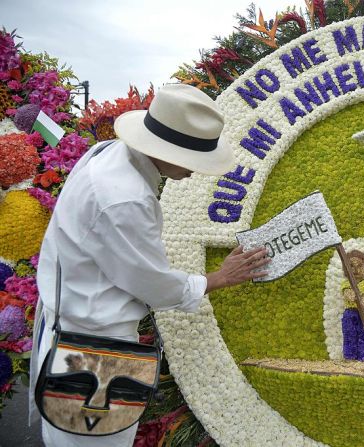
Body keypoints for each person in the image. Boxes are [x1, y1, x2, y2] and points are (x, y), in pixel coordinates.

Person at [28, 84, 269, 447]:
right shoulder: (124, 197)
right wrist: (219, 278)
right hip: (93, 349)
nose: (196, 171)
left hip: (74, 330)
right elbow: (152, 284)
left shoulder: (108, 153)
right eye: (193, 160)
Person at [341, 249, 364, 361]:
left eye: (360, 266)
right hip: (350, 314)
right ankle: (350, 356)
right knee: (349, 334)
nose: (355, 270)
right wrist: (352, 296)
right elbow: (347, 294)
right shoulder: (346, 284)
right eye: (351, 266)